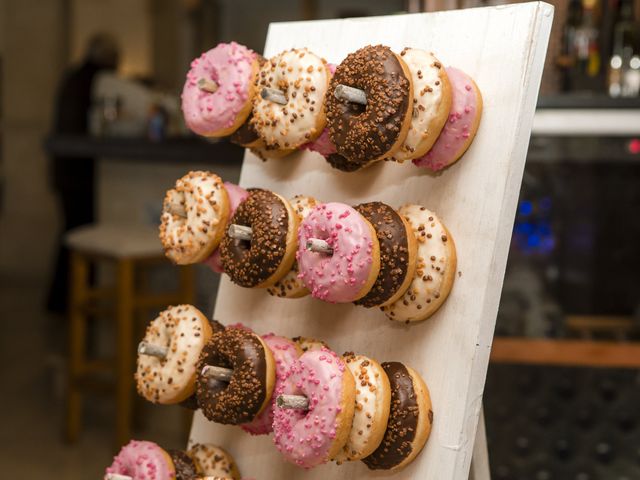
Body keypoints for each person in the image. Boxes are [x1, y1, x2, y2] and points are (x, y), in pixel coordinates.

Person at [46, 33, 120, 313]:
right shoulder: (98, 80)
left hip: (66, 170)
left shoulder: (74, 76)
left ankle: (63, 302)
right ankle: (75, 303)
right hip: (79, 173)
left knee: (69, 234)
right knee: (77, 236)